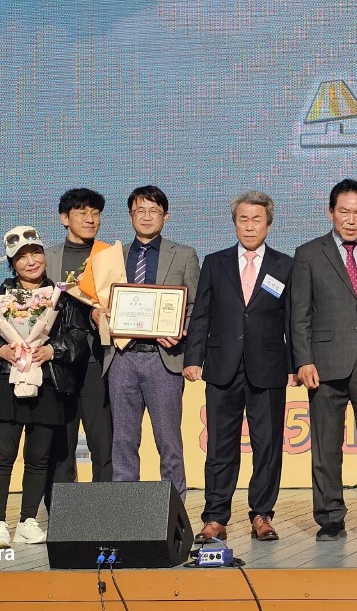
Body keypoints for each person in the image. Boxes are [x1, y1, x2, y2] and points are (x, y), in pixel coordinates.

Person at [183, 191, 294, 543]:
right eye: (243, 219)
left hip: (269, 367)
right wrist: (193, 358)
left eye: (256, 220)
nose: (249, 226)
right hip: (222, 366)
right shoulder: (215, 263)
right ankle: (216, 517)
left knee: (268, 446)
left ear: (268, 224)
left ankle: (262, 514)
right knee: (220, 445)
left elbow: (292, 320)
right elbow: (201, 315)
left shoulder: (284, 264)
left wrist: (293, 364)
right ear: (234, 224)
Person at [291, 179, 357, 540]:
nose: (351, 220)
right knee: (325, 446)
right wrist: (303, 360)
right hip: (324, 364)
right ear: (331, 212)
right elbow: (299, 314)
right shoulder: (308, 253)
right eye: (344, 211)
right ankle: (330, 516)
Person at [0, 226, 88, 548]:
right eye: (22, 257)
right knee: (3, 455)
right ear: (12, 263)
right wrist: (1, 349)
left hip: (48, 382)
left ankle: (27, 520)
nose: (31, 261)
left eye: (35, 253)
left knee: (39, 457)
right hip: (8, 383)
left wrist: (54, 350)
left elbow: (79, 336)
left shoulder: (61, 296)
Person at [102, 186, 199, 500]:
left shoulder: (183, 255)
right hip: (122, 357)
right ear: (130, 215)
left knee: (168, 441)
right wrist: (99, 314)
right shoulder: (112, 257)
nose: (146, 217)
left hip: (164, 359)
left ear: (165, 216)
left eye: (154, 210)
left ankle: (174, 512)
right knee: (123, 441)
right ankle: (126, 510)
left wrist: (180, 330)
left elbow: (196, 306)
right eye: (140, 210)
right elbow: (99, 302)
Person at [43, 188, 113, 500]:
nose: (90, 219)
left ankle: (104, 510)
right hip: (59, 363)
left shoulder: (110, 256)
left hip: (98, 360)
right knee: (62, 442)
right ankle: (63, 512)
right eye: (82, 212)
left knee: (103, 442)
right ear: (64, 218)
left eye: (95, 213)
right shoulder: (47, 258)